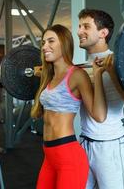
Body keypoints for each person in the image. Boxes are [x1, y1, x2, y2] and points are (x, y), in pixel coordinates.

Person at [31, 24, 107, 189]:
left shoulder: (77, 75)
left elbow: (99, 115)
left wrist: (99, 75)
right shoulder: (48, 76)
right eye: (43, 43)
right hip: (49, 155)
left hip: (68, 156)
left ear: (64, 44)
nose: (45, 47)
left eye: (51, 41)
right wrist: (38, 72)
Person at [77, 8, 124, 189]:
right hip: (84, 143)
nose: (79, 32)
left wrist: (112, 73)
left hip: (111, 147)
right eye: (79, 26)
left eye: (86, 26)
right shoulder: (82, 68)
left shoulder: (120, 64)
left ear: (103, 33)